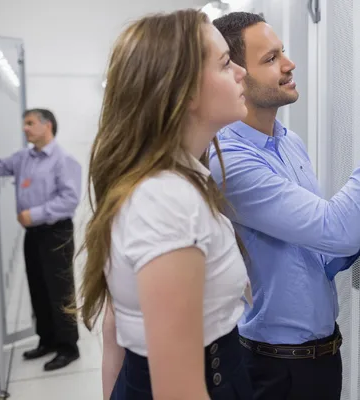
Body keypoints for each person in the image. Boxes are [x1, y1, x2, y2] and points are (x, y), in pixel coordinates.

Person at [210, 12, 360, 399]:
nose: (288, 63)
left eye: (283, 52)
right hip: (274, 370)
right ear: (235, 76)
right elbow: (335, 229)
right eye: (270, 59)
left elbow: (325, 252)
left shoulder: (288, 142)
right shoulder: (229, 161)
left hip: (322, 358)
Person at [77, 9, 253, 400]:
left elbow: (116, 329)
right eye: (225, 64)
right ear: (184, 91)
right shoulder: (165, 200)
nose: (242, 72)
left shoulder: (179, 181)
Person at [0, 108, 82, 371]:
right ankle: (47, 339)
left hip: (56, 231)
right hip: (33, 234)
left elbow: (69, 200)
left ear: (47, 126)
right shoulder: (23, 158)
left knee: (59, 290)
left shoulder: (63, 160)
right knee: (38, 288)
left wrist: (34, 214)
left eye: (30, 123)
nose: (25, 128)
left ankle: (68, 346)